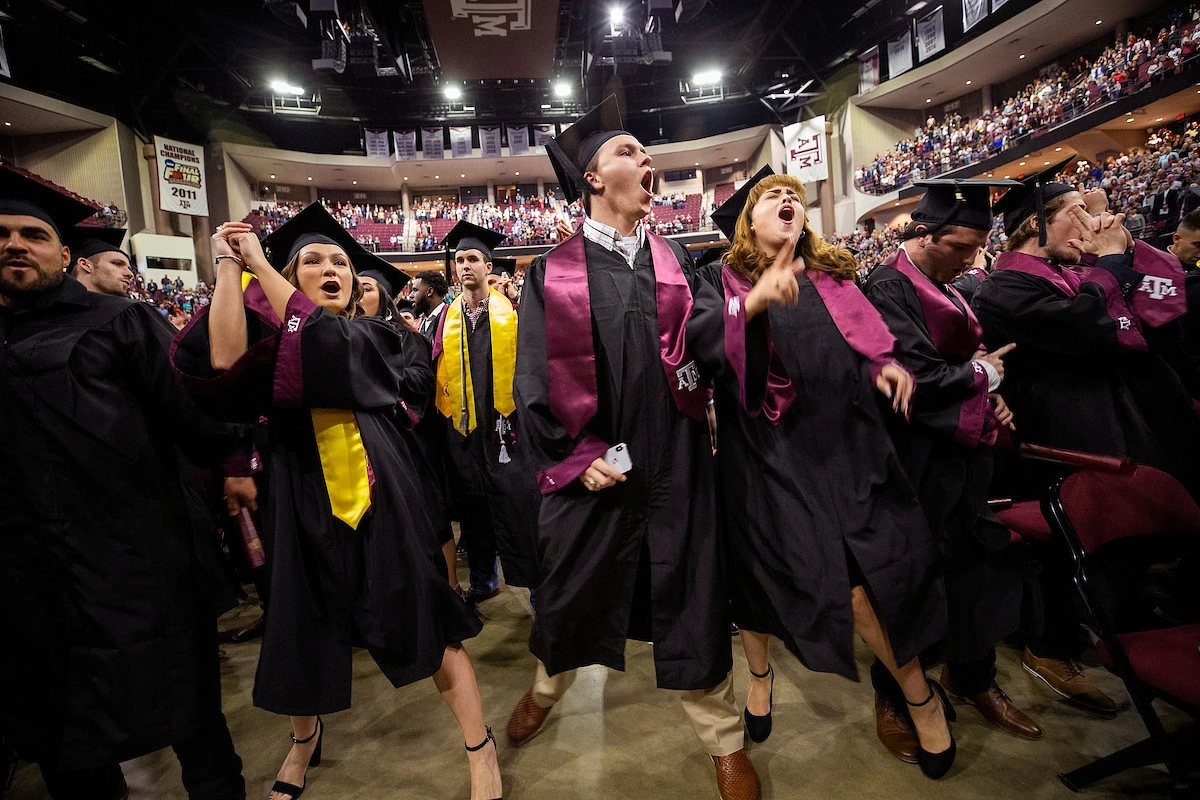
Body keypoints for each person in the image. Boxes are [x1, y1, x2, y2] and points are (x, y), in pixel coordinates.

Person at [170, 203, 502, 800]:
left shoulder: (373, 333)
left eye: (342, 263)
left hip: (379, 481)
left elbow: (324, 346)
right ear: (290, 278)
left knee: (420, 612)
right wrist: (226, 264)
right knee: (299, 617)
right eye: (312, 261)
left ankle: (481, 749)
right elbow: (220, 359)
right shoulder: (273, 339)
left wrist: (262, 267)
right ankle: (303, 742)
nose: (331, 269)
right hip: (295, 480)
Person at [505, 96, 762, 800]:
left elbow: (709, 350)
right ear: (592, 177)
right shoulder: (549, 273)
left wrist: (752, 309)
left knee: (694, 598)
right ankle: (545, 689)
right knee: (571, 601)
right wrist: (572, 455)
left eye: (646, 152)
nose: (647, 161)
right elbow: (532, 377)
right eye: (628, 152)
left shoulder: (677, 265)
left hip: (677, 461)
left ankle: (724, 740)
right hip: (596, 469)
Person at [0, 165, 250, 799]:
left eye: (33, 233)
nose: (14, 245)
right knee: (67, 742)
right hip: (30, 585)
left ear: (65, 252)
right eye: (0, 234)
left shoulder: (120, 324)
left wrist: (237, 467)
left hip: (139, 564)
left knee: (191, 718)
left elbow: (198, 417)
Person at [703, 167, 955, 780]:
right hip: (768, 453)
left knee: (869, 578)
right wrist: (754, 302)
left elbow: (864, 349)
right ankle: (759, 676)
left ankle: (916, 693)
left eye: (795, 195)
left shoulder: (836, 276)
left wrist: (884, 370)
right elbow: (702, 345)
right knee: (760, 571)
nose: (789, 201)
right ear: (749, 219)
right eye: (773, 197)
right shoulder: (718, 278)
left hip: (847, 444)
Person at [972, 161, 1197, 715]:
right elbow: (1083, 329)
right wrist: (1113, 265)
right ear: (1033, 226)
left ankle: (1120, 631)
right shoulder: (1004, 287)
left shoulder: (1069, 276)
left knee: (1128, 545)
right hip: (1057, 440)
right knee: (1077, 547)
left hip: (1108, 424)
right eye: (1077, 212)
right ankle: (1049, 647)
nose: (1094, 221)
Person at [864, 178, 1043, 752]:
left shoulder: (950, 284)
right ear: (923, 234)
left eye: (976, 248)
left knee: (974, 564)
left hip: (963, 452)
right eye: (961, 247)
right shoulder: (887, 287)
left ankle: (973, 677)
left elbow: (963, 358)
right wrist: (984, 378)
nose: (972, 260)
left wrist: (986, 394)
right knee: (915, 577)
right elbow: (914, 376)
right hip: (914, 455)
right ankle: (895, 696)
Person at [433, 220, 540, 607]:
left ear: (488, 267)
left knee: (518, 507)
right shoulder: (444, 320)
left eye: (473, 258)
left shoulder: (511, 314)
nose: (465, 265)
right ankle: (481, 581)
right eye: (459, 259)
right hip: (464, 433)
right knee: (474, 509)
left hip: (507, 429)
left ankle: (537, 588)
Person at [68, 227, 134, 297]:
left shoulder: (128, 307)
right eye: (117, 264)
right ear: (85, 265)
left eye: (129, 268)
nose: (130, 274)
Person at [413, 269, 451, 339]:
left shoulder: (451, 318)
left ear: (429, 291)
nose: (411, 295)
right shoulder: (419, 323)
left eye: (415, 290)